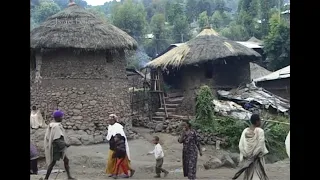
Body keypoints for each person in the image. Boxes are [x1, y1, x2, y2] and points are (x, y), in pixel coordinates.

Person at [232, 114, 269, 180]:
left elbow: (241, 145)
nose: (260, 122)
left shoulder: (245, 130)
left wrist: (246, 155)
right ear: (257, 121)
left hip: (248, 159)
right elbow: (260, 145)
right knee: (257, 176)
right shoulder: (260, 131)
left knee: (249, 176)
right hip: (257, 159)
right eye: (260, 120)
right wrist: (254, 156)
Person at [43, 110, 75, 180]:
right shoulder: (56, 127)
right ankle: (46, 178)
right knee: (52, 163)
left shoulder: (52, 125)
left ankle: (69, 176)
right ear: (58, 118)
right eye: (61, 117)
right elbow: (57, 139)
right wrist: (66, 144)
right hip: (56, 147)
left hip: (56, 146)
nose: (62, 118)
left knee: (66, 160)